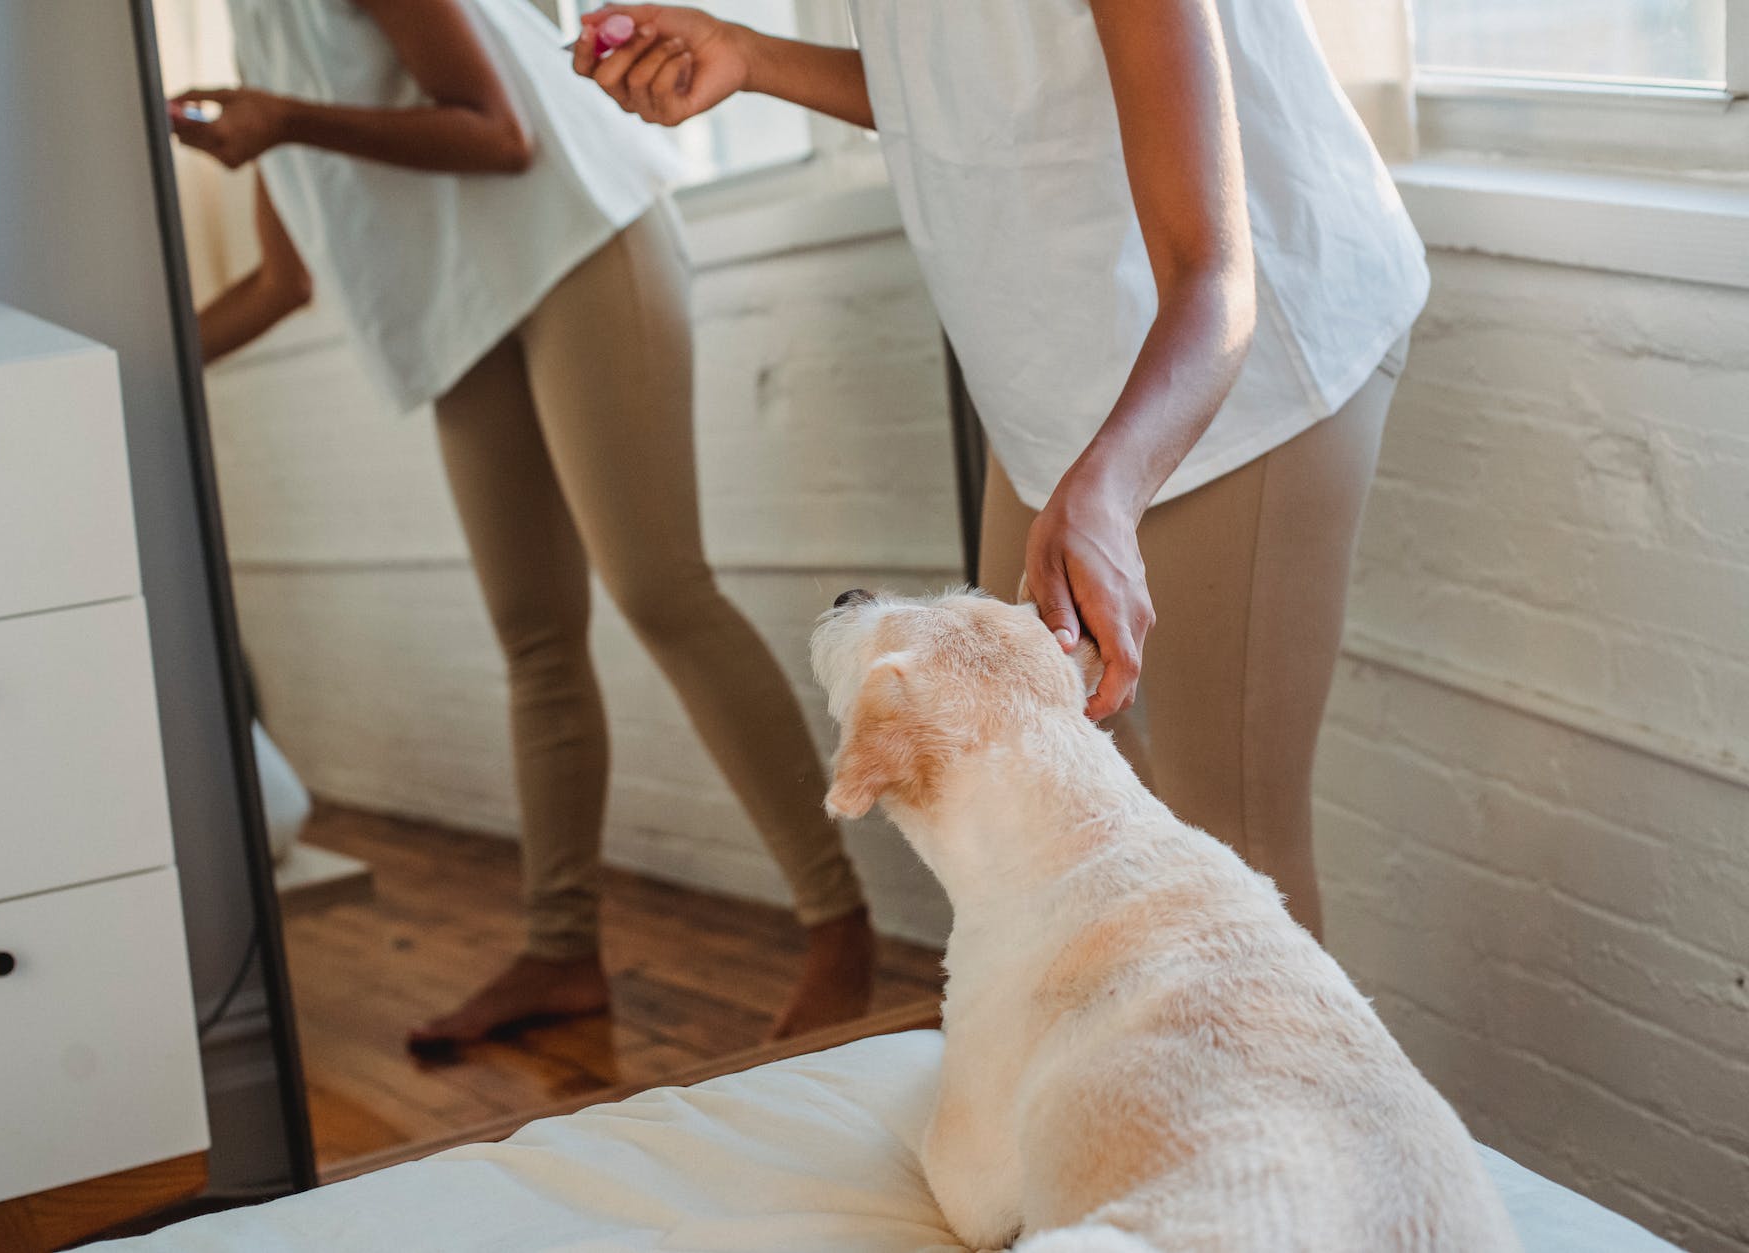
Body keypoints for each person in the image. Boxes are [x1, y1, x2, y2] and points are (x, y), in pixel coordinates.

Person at [573, 0, 1429, 938]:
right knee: (1040, 824)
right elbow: (967, 87)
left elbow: (1211, 275)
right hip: (1060, 387)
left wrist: (1106, 493)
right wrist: (748, 55)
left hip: (1243, 372)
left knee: (1229, 862)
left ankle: (1269, 1088)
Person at [174, 0, 878, 1051]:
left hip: (576, 234)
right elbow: (285, 281)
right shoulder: (254, 32)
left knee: (658, 589)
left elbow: (498, 133)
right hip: (467, 303)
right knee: (533, 634)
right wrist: (135, 363)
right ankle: (559, 950)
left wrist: (285, 119)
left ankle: (840, 928)